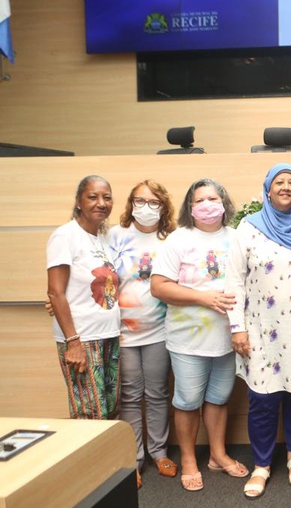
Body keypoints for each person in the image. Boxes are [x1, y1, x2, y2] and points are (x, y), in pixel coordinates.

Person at [226, 164, 291, 499]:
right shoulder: (248, 227)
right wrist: (237, 328)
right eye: (279, 182)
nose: (285, 187)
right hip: (260, 329)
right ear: (267, 190)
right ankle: (262, 465)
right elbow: (234, 281)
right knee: (262, 399)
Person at [151, 178, 248, 492]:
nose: (207, 205)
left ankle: (217, 455)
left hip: (228, 338)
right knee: (188, 400)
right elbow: (159, 287)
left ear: (224, 203)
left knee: (219, 398)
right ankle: (190, 459)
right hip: (188, 339)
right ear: (190, 208)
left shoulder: (236, 237)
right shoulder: (179, 239)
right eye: (199, 200)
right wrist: (203, 297)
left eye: (213, 199)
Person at [109, 180, 178, 488]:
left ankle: (159, 452)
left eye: (153, 202)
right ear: (130, 203)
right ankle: (133, 458)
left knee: (158, 393)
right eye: (139, 201)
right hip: (122, 331)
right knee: (129, 396)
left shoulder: (171, 238)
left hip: (159, 330)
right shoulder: (115, 235)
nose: (146, 207)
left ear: (163, 206)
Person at [46, 175, 121, 420]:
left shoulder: (103, 238)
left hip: (108, 335)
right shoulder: (65, 236)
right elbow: (55, 292)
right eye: (93, 197)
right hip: (82, 339)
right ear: (79, 202)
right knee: (90, 415)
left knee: (109, 412)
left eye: (107, 197)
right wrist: (73, 342)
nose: (101, 203)